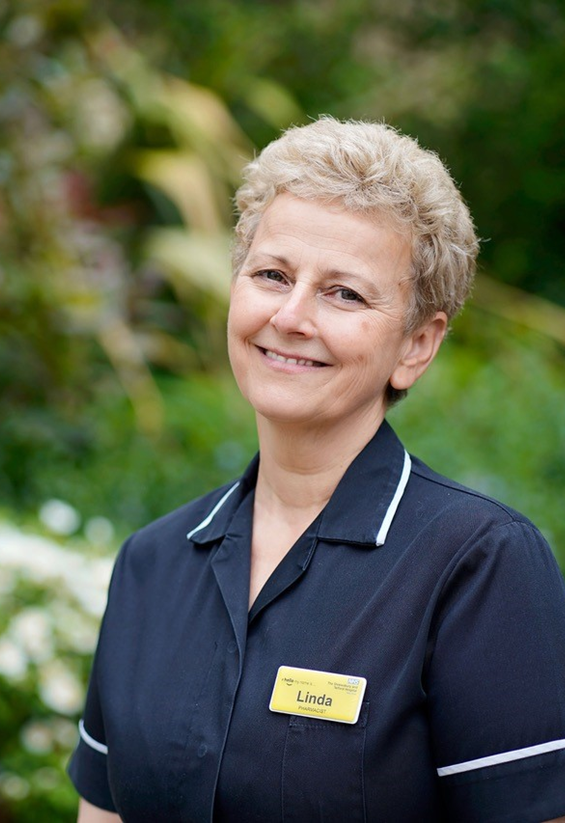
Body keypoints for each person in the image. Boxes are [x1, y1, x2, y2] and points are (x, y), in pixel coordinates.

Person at [67, 116, 565, 822]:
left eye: (344, 293)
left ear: (416, 344)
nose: (291, 315)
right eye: (272, 275)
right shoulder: (151, 564)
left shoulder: (478, 566)